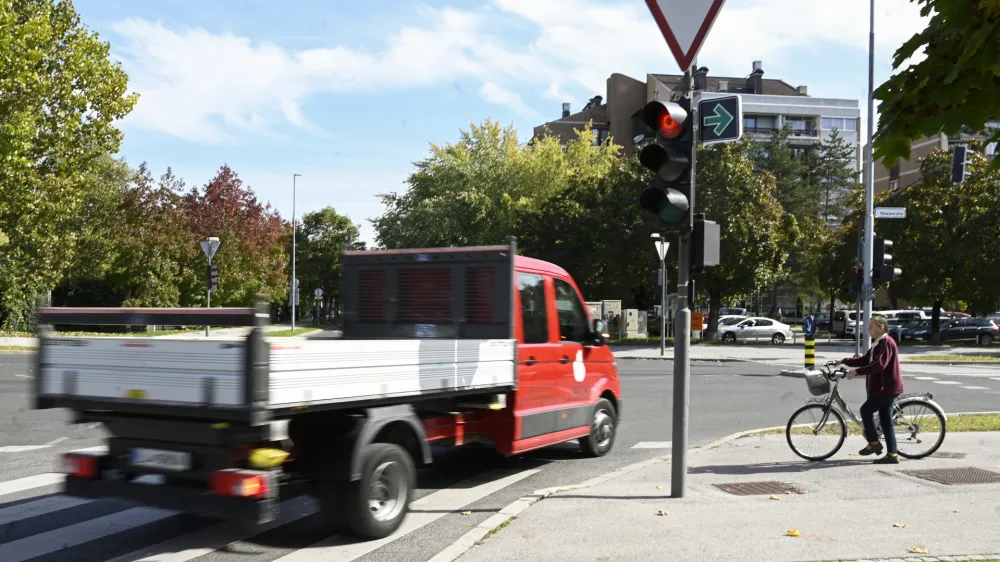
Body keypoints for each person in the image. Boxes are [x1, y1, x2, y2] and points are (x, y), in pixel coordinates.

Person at [837, 314, 904, 464]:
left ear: (881, 327)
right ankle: (892, 455)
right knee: (886, 421)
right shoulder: (878, 342)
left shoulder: (886, 342)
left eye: (871, 326)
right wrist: (845, 361)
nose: (868, 329)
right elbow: (866, 359)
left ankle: (874, 443)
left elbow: (879, 365)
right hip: (885, 388)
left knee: (866, 410)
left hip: (886, 388)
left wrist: (857, 372)